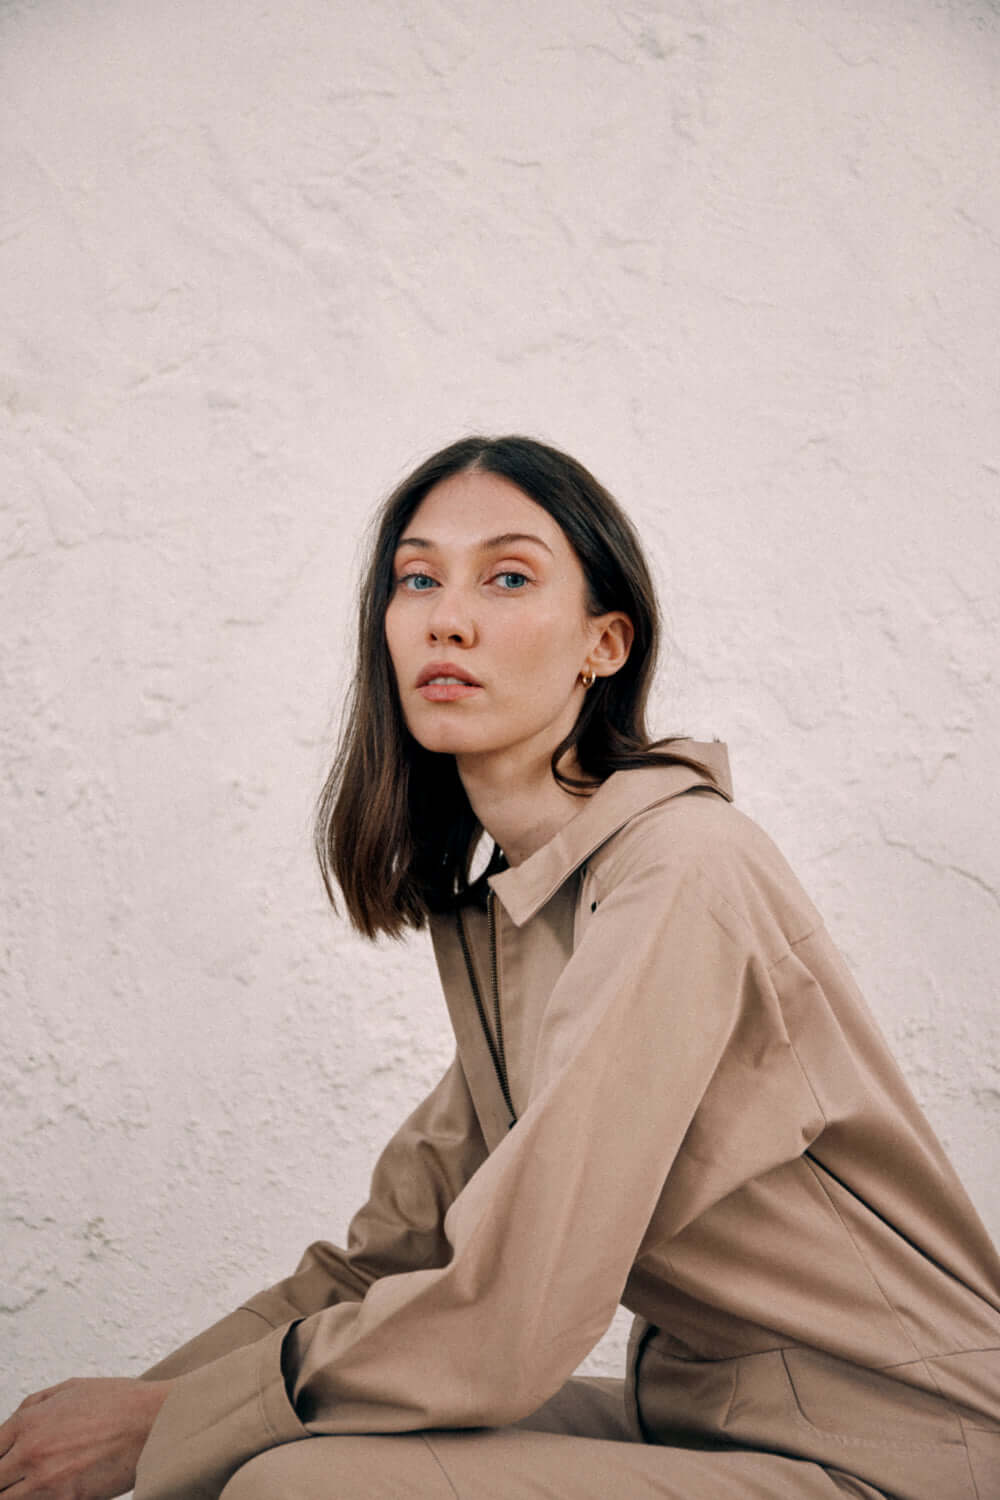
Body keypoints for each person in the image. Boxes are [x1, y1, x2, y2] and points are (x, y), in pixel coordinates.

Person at [2, 435, 998, 1500]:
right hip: (709, 1425)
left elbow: (517, 1313)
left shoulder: (681, 869)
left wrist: (160, 1425)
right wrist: (91, 1432)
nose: (448, 616)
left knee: (297, 1489)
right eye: (417, 578)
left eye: (508, 576)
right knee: (247, 1445)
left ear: (603, 644)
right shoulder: (520, 916)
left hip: (904, 1454)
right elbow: (382, 1265)